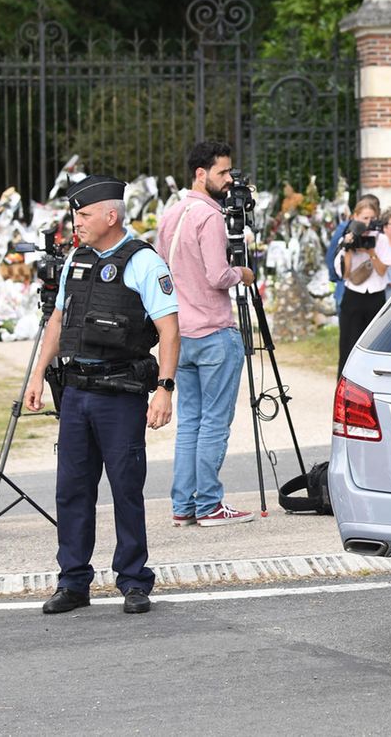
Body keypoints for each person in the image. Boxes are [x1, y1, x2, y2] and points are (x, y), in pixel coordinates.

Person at [25, 174, 180, 615]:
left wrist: (165, 390)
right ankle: (73, 581)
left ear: (111, 216)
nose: (78, 222)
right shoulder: (78, 256)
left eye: (85, 214)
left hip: (120, 393)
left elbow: (170, 331)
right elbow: (57, 322)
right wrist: (38, 374)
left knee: (126, 489)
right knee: (71, 490)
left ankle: (133, 580)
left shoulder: (144, 262)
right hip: (75, 391)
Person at [155, 141, 256, 528]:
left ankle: (184, 504)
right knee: (214, 421)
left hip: (182, 333)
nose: (229, 180)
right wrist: (243, 273)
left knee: (191, 422)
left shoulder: (171, 215)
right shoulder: (209, 218)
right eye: (223, 173)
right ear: (201, 174)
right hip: (214, 331)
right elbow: (218, 276)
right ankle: (210, 503)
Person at [336, 196, 391, 373]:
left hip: (375, 296)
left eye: (371, 218)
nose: (368, 222)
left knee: (375, 345)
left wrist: (371, 252)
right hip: (353, 296)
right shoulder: (345, 239)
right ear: (355, 217)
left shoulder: (381, 240)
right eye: (364, 218)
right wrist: (348, 248)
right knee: (348, 345)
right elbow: (345, 275)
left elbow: (382, 270)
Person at [324, 193, 380, 312]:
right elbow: (332, 255)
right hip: (348, 287)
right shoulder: (346, 228)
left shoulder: (379, 233)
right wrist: (338, 278)